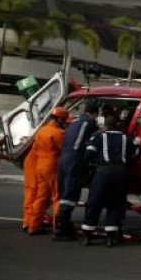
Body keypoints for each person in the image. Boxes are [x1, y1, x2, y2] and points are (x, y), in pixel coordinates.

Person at [81, 115, 140, 247]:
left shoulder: (98, 136)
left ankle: (87, 235)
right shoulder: (126, 138)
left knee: (94, 202)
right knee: (116, 203)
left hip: (102, 171)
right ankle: (110, 238)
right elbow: (135, 153)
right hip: (120, 172)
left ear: (105, 125)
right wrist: (138, 143)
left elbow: (88, 154)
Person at [53, 101, 100, 240]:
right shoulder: (90, 123)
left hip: (63, 159)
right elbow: (96, 139)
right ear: (94, 114)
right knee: (71, 192)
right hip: (75, 159)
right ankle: (62, 229)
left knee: (64, 192)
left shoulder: (73, 122)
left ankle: (62, 225)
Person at [28, 107, 68, 235]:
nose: (65, 122)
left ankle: (33, 227)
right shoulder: (58, 133)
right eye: (64, 120)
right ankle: (58, 228)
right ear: (60, 119)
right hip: (52, 167)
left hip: (40, 166)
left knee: (40, 197)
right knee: (57, 197)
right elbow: (64, 150)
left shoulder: (41, 130)